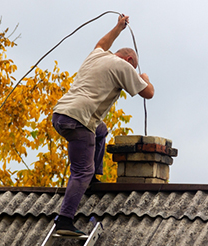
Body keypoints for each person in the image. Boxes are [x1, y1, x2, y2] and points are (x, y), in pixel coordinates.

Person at [51, 14, 154, 236]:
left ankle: (93, 177)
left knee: (101, 129)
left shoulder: (97, 55)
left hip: (61, 114)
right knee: (81, 171)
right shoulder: (123, 66)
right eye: (133, 67)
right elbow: (149, 93)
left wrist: (118, 28)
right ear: (129, 61)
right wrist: (144, 77)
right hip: (80, 120)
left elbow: (101, 43)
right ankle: (65, 221)